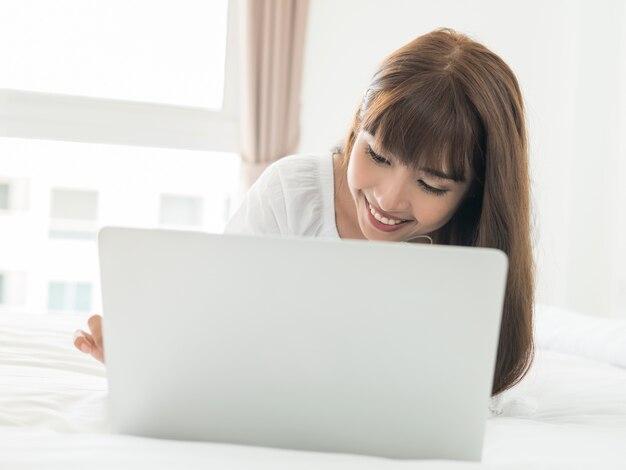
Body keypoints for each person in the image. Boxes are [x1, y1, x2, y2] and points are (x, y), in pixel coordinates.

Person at [74, 28, 534, 396]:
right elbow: (213, 318)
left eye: (431, 184)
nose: (389, 200)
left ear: (474, 193)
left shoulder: (474, 253)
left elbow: (473, 384)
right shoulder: (293, 193)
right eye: (377, 156)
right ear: (357, 130)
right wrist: (144, 354)